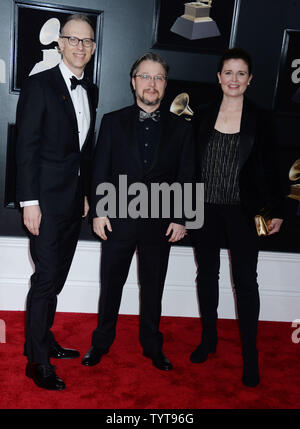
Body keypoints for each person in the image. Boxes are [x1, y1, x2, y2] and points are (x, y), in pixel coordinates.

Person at [82, 52, 194, 371]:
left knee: (153, 287)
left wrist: (182, 218)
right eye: (145, 76)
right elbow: (100, 168)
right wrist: (99, 213)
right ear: (133, 82)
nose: (151, 83)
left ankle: (152, 347)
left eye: (158, 78)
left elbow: (188, 172)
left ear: (165, 85)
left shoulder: (182, 128)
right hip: (118, 217)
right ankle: (100, 343)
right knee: (111, 285)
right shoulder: (113, 121)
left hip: (160, 221)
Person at [189, 48, 284, 387]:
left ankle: (250, 355)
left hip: (245, 212)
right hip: (205, 210)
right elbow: (190, 165)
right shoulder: (201, 115)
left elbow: (273, 169)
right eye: (228, 72)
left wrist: (275, 212)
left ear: (250, 79)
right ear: (218, 77)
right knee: (207, 275)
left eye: (240, 73)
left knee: (246, 282)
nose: (233, 79)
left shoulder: (263, 118)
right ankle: (209, 338)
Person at [15, 14, 98, 390]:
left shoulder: (89, 90)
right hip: (44, 203)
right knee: (46, 279)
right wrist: (29, 201)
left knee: (57, 277)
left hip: (71, 203)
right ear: (60, 43)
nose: (81, 47)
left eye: (88, 41)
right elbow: (26, 148)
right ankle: (37, 362)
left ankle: (43, 338)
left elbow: (82, 152)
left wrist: (84, 195)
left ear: (93, 48)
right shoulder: (39, 85)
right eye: (74, 39)